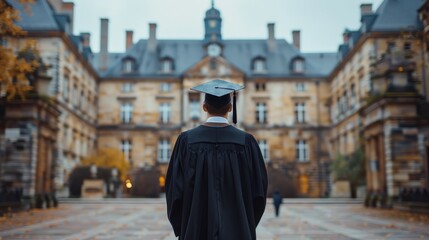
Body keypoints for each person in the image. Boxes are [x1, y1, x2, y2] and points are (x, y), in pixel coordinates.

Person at [166, 79, 268, 240]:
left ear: (204, 107)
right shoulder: (246, 142)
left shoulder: (186, 141)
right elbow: (259, 193)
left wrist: (184, 226)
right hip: (238, 230)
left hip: (195, 230)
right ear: (230, 107)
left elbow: (174, 191)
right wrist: (244, 223)